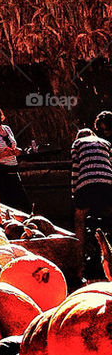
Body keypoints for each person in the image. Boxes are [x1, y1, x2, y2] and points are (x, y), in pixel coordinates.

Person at [71, 119, 112, 280]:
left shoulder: (77, 144)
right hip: (107, 185)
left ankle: (78, 266)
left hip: (86, 185)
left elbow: (75, 171)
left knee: (79, 219)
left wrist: (75, 196)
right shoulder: (105, 143)